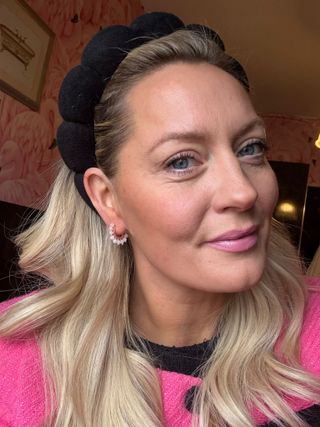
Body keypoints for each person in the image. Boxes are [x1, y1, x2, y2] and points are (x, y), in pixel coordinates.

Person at [0, 11, 319, 427]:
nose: (244, 191)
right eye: (182, 160)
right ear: (108, 199)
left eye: (250, 148)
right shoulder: (15, 365)